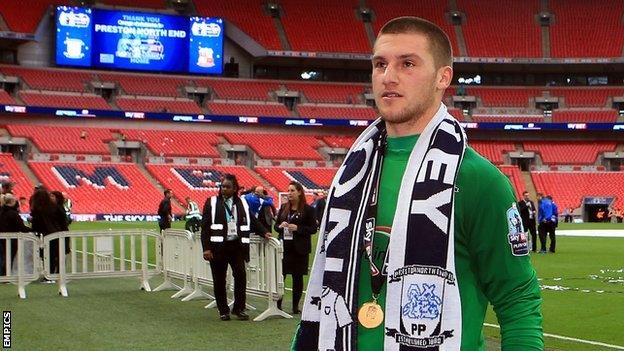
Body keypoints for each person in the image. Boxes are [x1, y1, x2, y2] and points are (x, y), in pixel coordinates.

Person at [292, 17, 543, 351]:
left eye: (407, 63)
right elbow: (325, 294)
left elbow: (517, 299)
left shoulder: (478, 179)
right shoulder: (352, 176)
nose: (388, 76)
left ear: (443, 77)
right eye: (380, 64)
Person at [200, 174, 271, 321]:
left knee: (241, 276)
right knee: (219, 280)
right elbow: (205, 227)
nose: (224, 189)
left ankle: (239, 309)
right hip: (217, 247)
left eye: (227, 187)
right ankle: (223, 310)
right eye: (222, 186)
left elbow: (252, 220)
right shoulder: (212, 202)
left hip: (237, 246)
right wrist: (206, 248)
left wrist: (264, 232)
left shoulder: (242, 203)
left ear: (235, 189)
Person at [274, 181, 317, 314]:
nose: (289, 193)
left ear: (299, 192)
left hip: (300, 249)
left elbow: (313, 229)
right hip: (284, 248)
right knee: (281, 276)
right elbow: (276, 226)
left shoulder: (308, 210)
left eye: (292, 190)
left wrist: (298, 228)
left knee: (298, 278)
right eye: (288, 190)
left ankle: (295, 306)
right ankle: (278, 304)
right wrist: (280, 227)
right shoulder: (283, 208)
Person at [31, 189, 68, 276]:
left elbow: (36, 224)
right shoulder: (54, 207)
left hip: (46, 234)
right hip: (56, 233)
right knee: (55, 254)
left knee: (47, 255)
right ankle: (54, 274)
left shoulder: (38, 209)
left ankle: (49, 274)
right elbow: (63, 221)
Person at [0, 194, 31, 275]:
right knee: (9, 257)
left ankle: (3, 274)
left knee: (3, 256)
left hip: (2, 237)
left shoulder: (2, 211)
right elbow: (21, 227)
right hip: (12, 238)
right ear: (12, 202)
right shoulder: (13, 214)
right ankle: (6, 274)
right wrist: (33, 229)